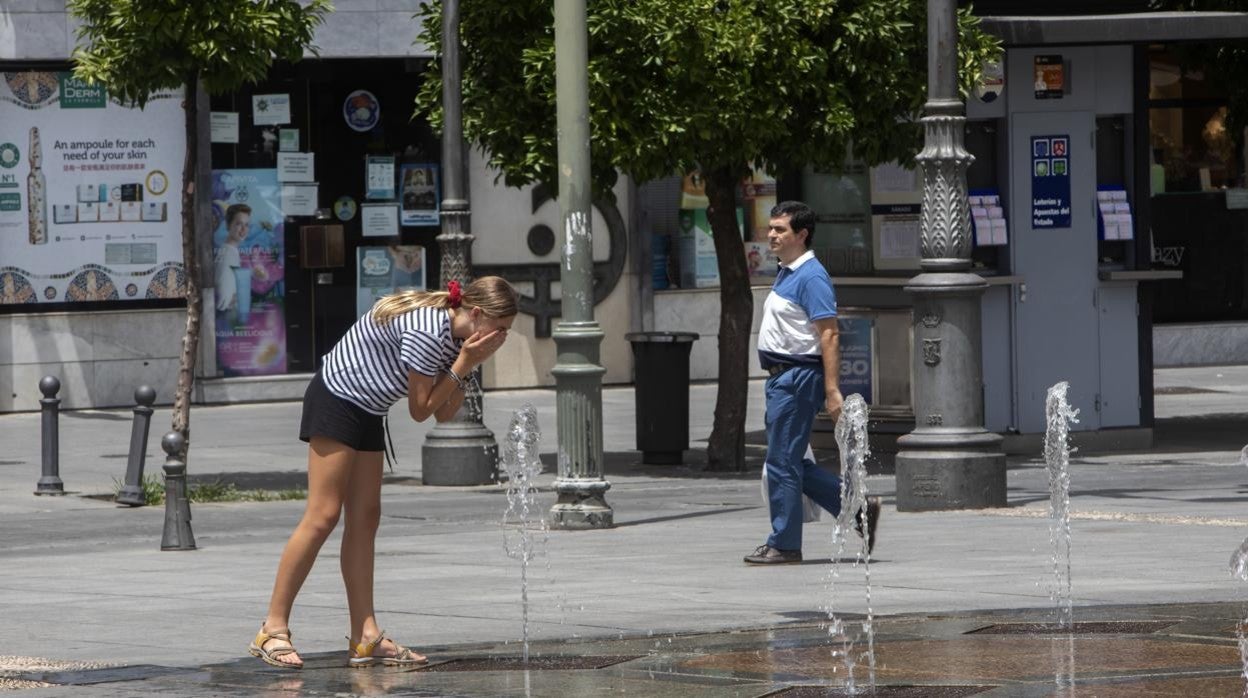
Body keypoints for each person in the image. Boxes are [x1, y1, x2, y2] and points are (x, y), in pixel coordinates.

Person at [249, 276, 520, 669]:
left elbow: (445, 413)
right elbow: (420, 409)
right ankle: (272, 629)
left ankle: (366, 637)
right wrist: (465, 363)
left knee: (365, 519)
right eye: (501, 329)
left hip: (368, 410)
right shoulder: (429, 330)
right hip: (336, 400)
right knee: (323, 515)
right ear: (477, 314)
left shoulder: (459, 339)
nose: (502, 338)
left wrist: (468, 363)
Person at [744, 201, 880, 565]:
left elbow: (830, 334)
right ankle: (857, 507)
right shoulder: (788, 271)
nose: (772, 234)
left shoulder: (811, 276)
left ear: (801, 235)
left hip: (796, 377)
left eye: (780, 230)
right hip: (782, 378)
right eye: (771, 228)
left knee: (782, 464)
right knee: (787, 461)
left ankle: (785, 544)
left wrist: (833, 390)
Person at [214, 204, 250, 313]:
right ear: (228, 225)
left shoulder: (230, 251)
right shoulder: (227, 256)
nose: (244, 229)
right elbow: (221, 302)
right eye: (239, 224)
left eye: (247, 225)